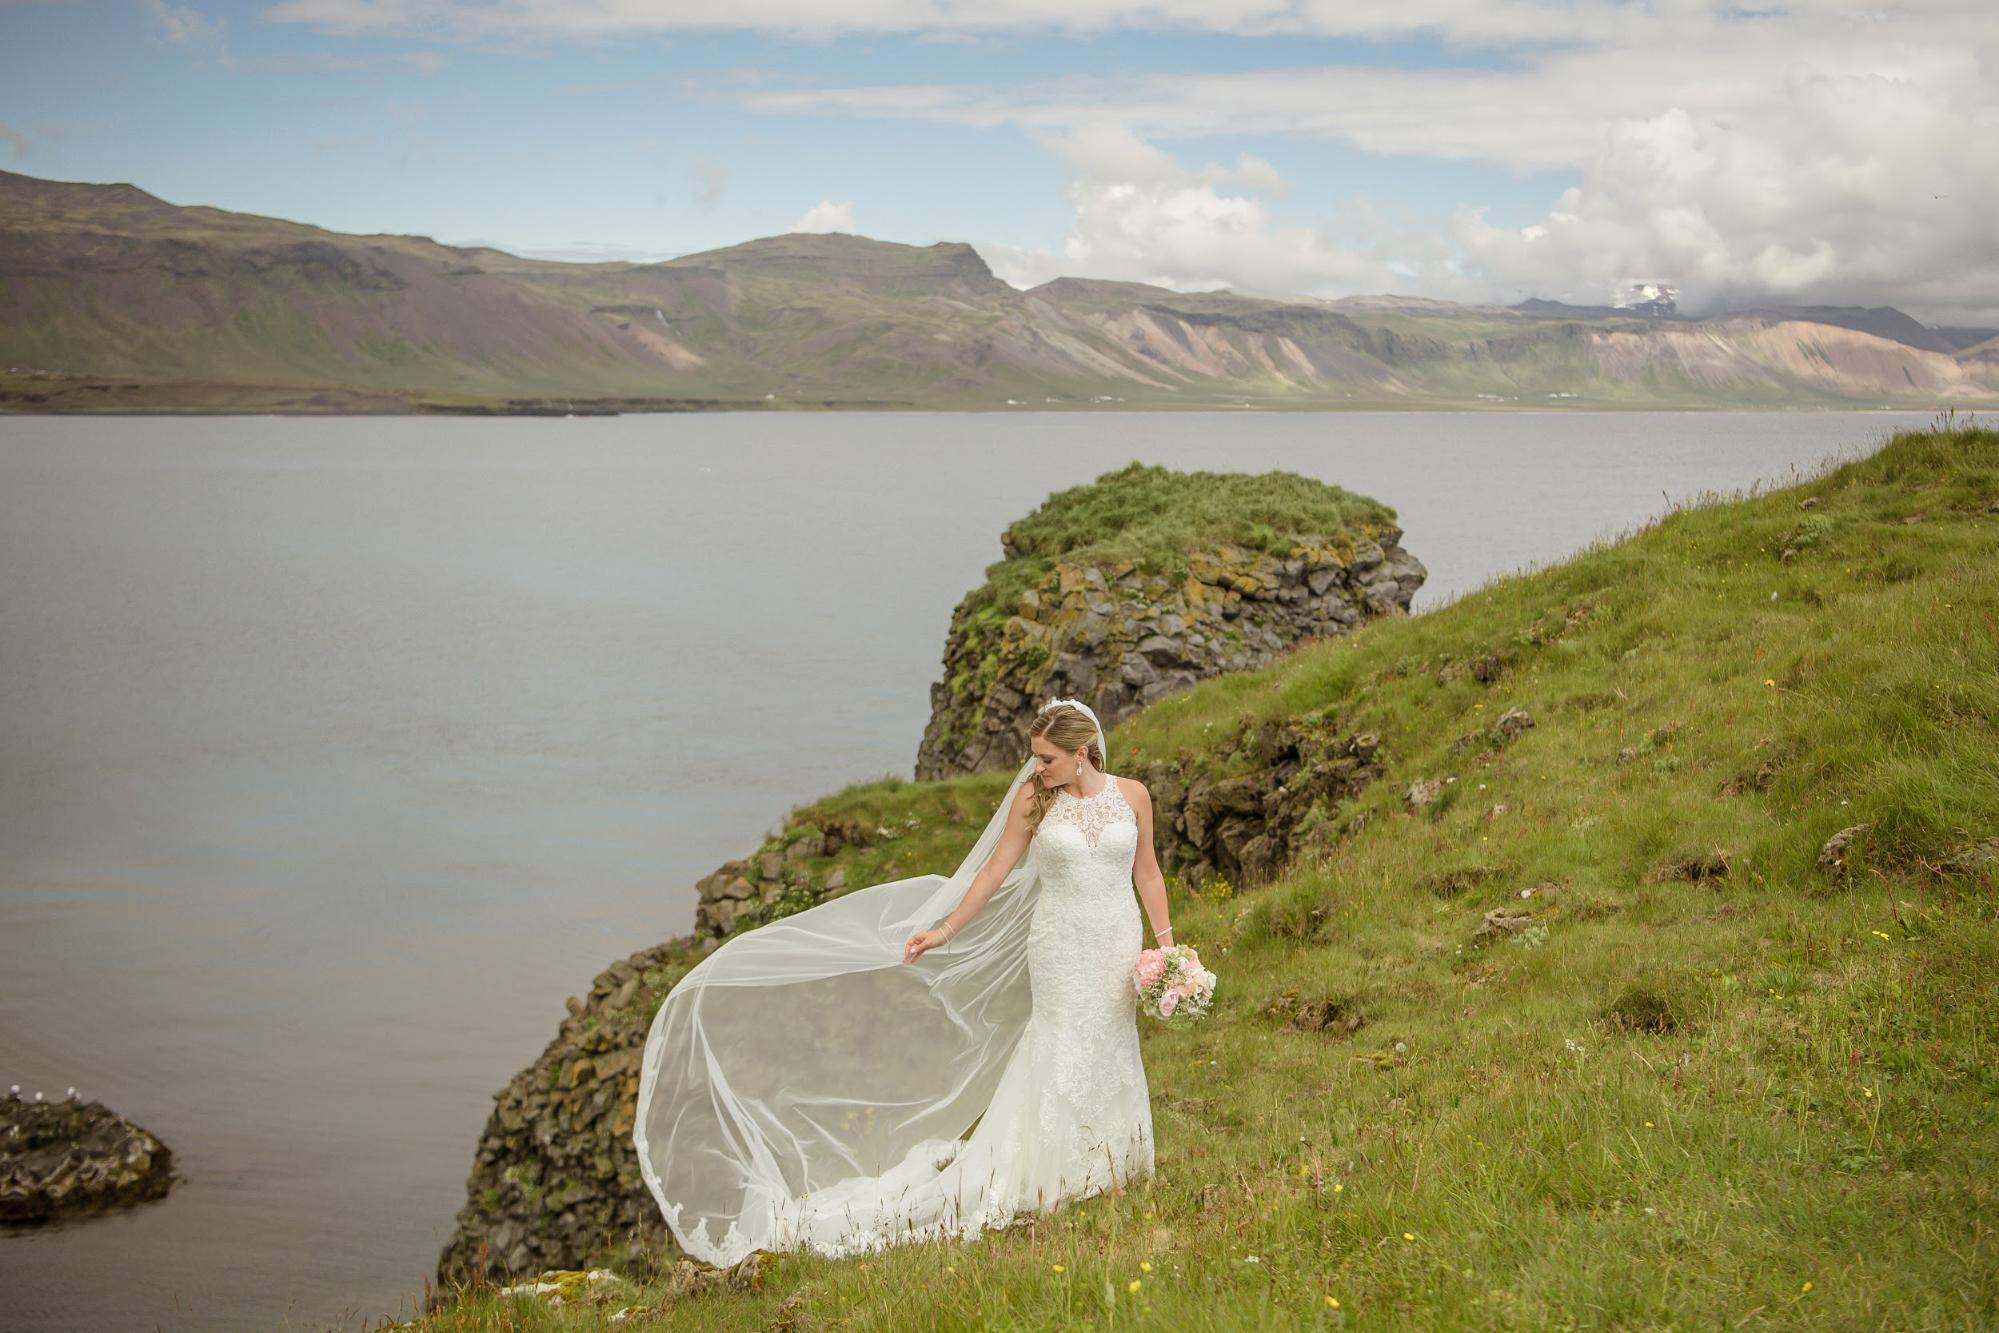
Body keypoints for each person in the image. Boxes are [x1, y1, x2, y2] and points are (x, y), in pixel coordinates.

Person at [632, 697, 1176, 1266]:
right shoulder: (1034, 800)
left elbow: (1149, 872)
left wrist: (1169, 951)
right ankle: (1055, 1171)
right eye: (1034, 758)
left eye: (1046, 758)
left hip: (1116, 939)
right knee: (1061, 1043)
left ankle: (1114, 1161)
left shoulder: (1132, 795)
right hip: (1060, 945)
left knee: (1111, 1041)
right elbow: (994, 871)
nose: (1037, 768)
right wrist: (945, 929)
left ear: (1081, 753)